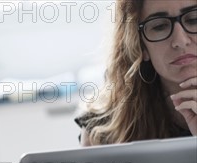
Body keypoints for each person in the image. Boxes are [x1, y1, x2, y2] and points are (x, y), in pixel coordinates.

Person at [77, 0, 197, 145]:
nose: (180, 40)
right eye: (159, 26)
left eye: (193, 19)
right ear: (140, 46)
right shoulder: (103, 128)